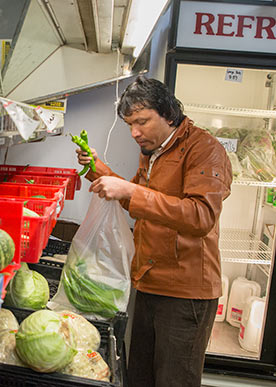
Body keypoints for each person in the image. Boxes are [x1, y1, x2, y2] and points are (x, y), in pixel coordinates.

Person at [76, 76, 232, 387]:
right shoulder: (154, 150)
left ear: (169, 113)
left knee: (174, 380)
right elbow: (143, 205)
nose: (135, 132)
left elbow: (200, 216)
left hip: (185, 293)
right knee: (140, 377)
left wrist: (130, 191)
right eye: (130, 124)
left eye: (142, 122)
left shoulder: (205, 150)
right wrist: (100, 170)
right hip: (149, 281)